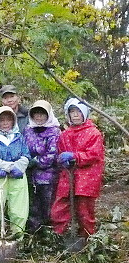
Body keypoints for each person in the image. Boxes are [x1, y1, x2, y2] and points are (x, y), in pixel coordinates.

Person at [51, 98, 104, 239]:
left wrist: (75, 157)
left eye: (78, 112)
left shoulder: (93, 133)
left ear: (84, 113)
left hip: (87, 177)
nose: (75, 115)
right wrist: (63, 160)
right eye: (72, 112)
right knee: (60, 207)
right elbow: (60, 152)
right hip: (68, 175)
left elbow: (94, 154)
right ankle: (58, 236)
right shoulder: (65, 134)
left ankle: (86, 237)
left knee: (84, 209)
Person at [0, 106, 31, 247]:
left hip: (18, 176)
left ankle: (17, 242)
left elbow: (26, 156)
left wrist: (17, 168)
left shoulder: (19, 138)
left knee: (19, 211)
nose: (5, 123)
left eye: (8, 120)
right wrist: (6, 167)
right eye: (1, 120)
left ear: (13, 121)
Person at [23, 100, 61, 233]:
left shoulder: (54, 131)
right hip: (29, 174)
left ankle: (48, 232)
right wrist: (25, 161)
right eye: (36, 114)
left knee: (47, 204)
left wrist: (37, 161)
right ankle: (33, 231)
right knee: (32, 205)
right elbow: (23, 148)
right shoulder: (28, 130)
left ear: (48, 115)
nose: (39, 117)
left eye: (42, 114)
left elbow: (52, 154)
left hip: (48, 176)